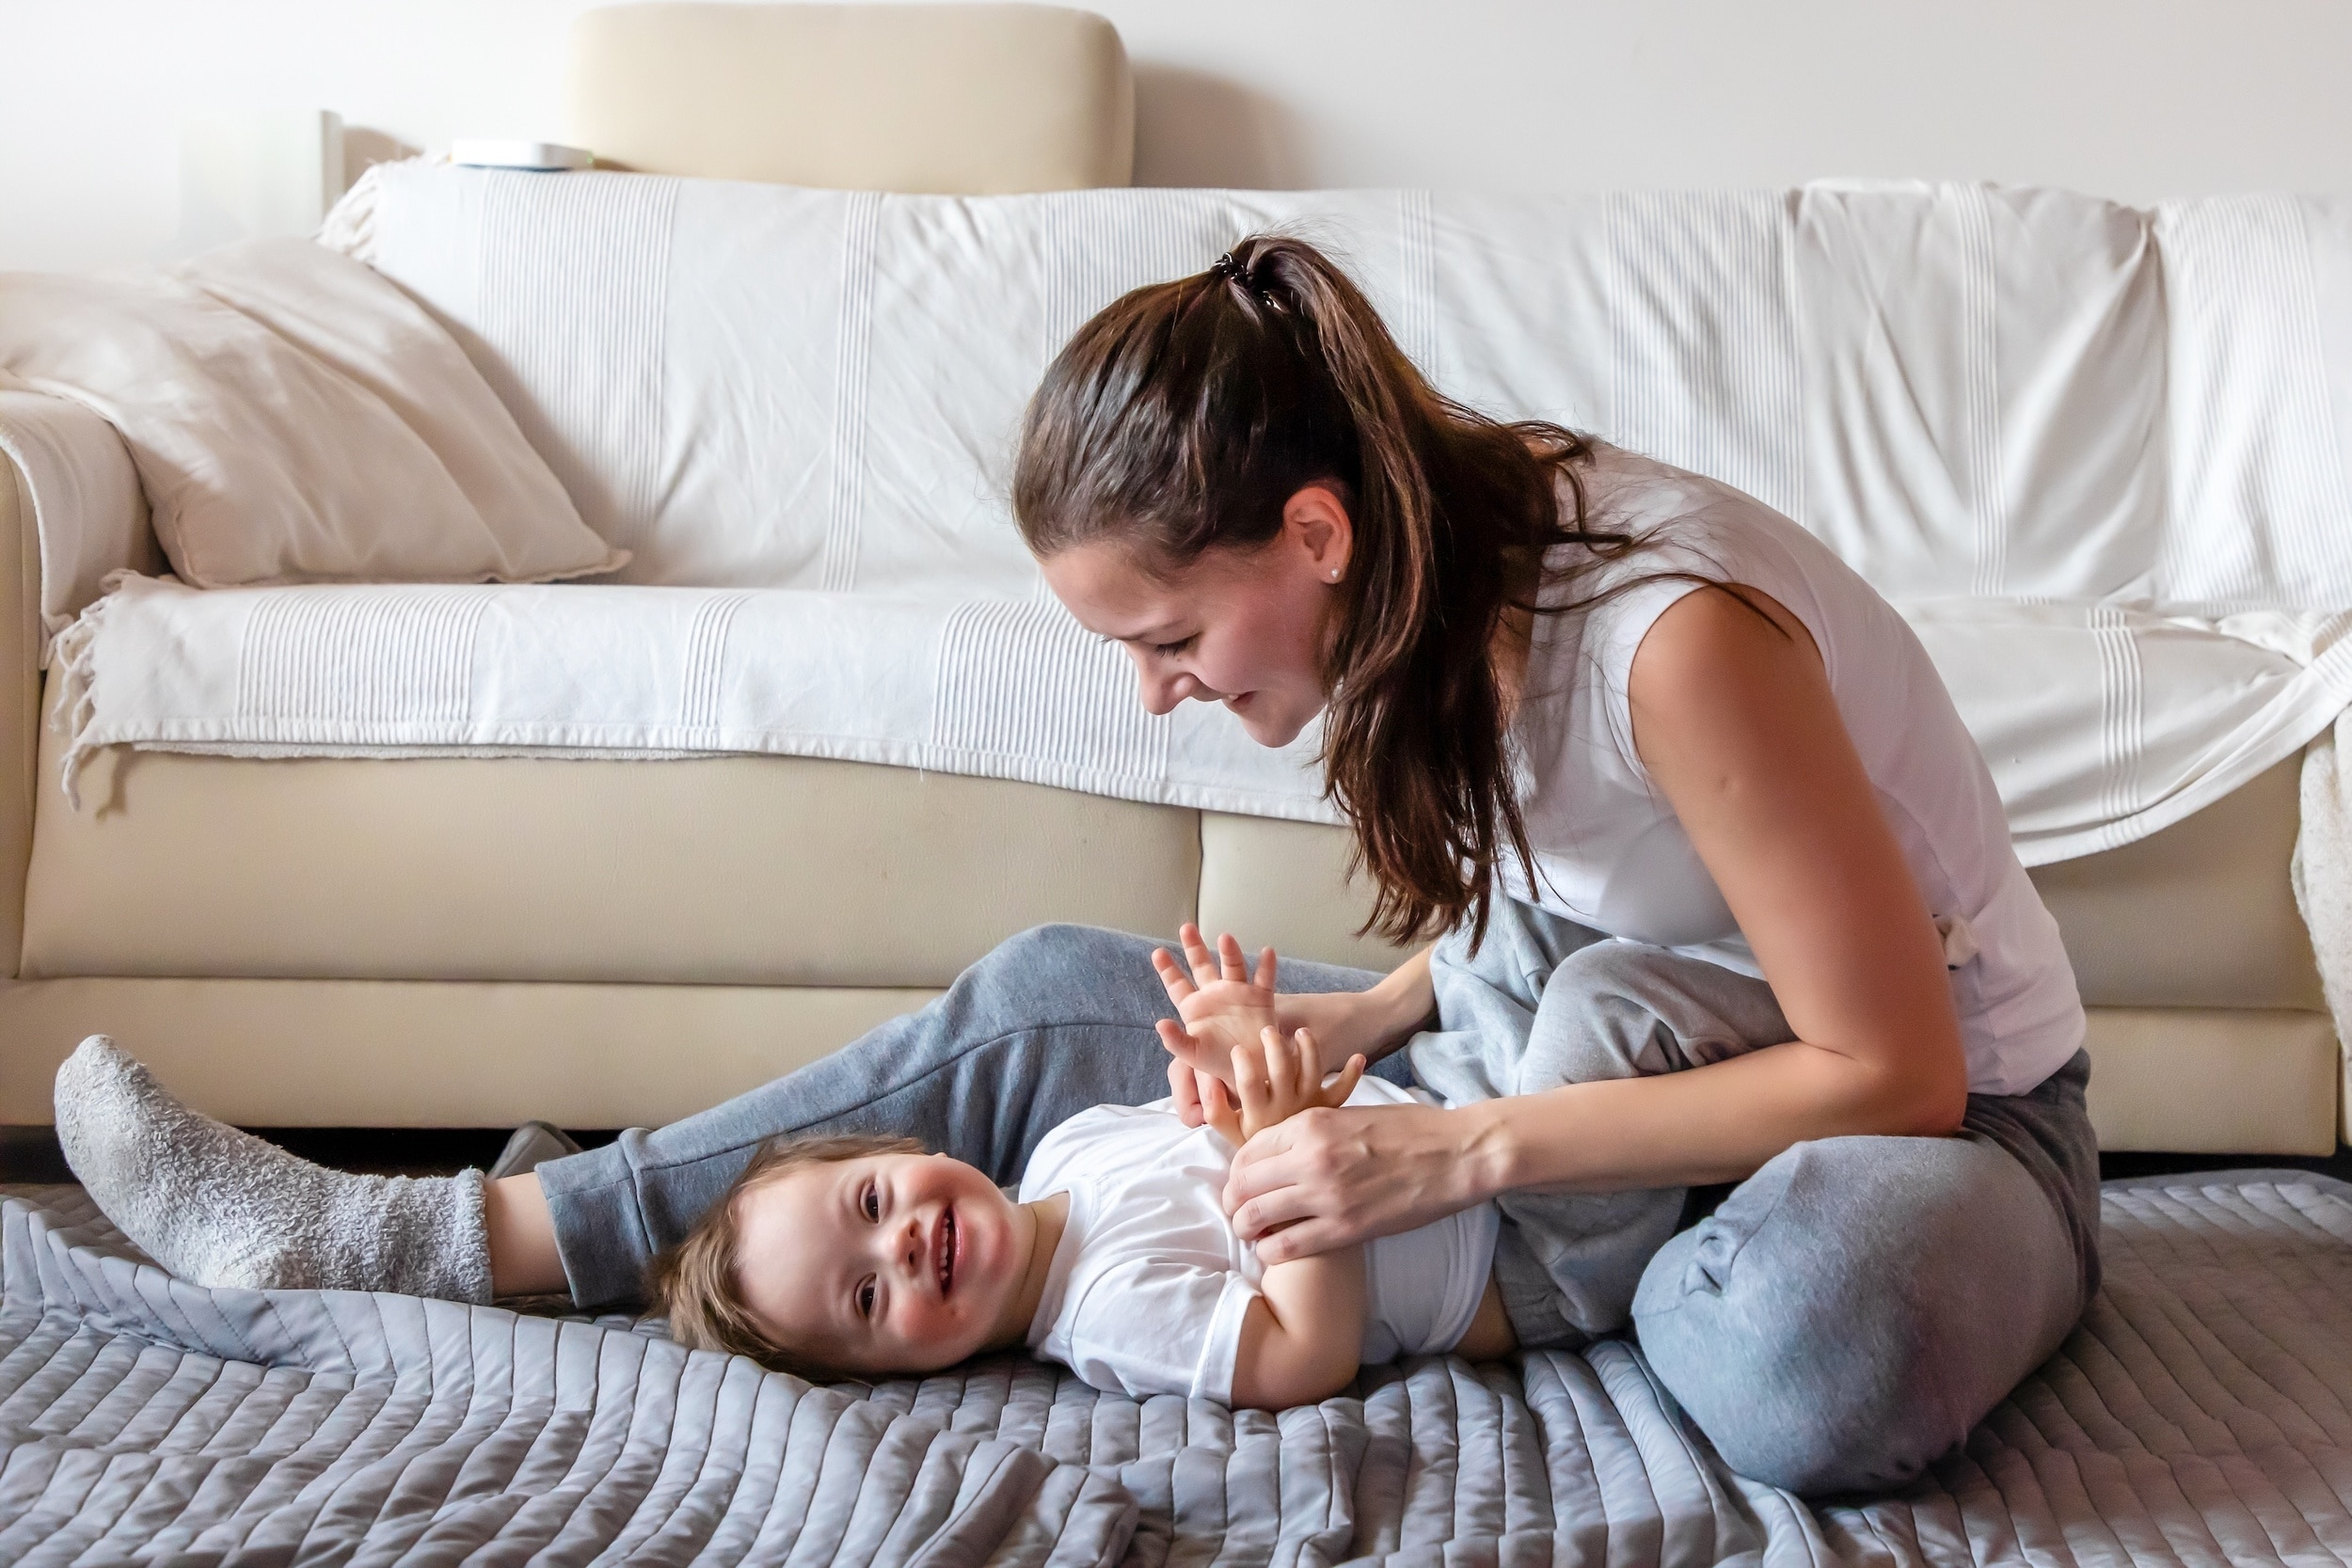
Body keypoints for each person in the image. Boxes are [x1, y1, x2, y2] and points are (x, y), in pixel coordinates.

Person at [51, 233, 2098, 1497]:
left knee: (1806, 1340)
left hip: (1937, 1129)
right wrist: (1342, 1031)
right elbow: (1566, 907)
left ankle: (1607, 1281)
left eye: (1166, 638)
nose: (1150, 698)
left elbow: (1900, 1071)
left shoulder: (1671, 640)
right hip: (1586, 1043)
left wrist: (1448, 1159)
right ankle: (453, 1240)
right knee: (1059, 989)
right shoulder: (1430, 583)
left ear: (1307, 533)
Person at [648, 988, 1516, 1408]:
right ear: (890, 1375)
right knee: (1607, 1008)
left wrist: (1243, 1060)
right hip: (1512, 1255)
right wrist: (1295, 1162)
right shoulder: (1104, 1315)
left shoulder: (1066, 1148)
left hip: (1464, 1107)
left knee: (1511, 931)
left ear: (904, 1149)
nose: (899, 1246)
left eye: (872, 1204)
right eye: (867, 1295)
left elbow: (1226, 1133)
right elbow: (1302, 1359)